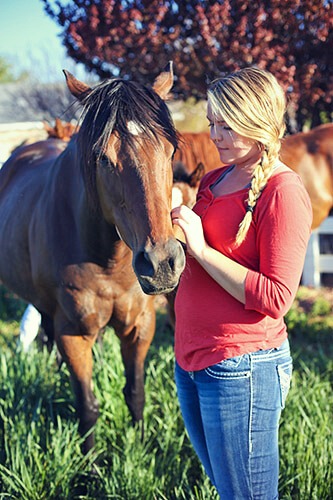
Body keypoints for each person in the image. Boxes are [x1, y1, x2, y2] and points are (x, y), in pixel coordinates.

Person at [171, 67, 312, 499]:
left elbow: (276, 297)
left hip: (241, 366)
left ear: (258, 119)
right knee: (227, 488)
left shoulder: (282, 191)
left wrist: (200, 247)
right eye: (211, 122)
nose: (214, 134)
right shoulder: (214, 179)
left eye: (226, 124)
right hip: (191, 360)